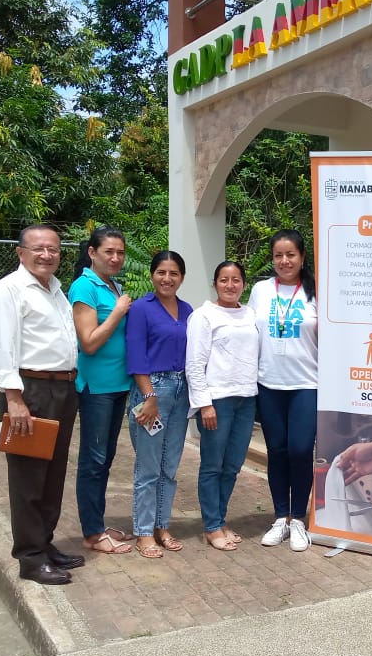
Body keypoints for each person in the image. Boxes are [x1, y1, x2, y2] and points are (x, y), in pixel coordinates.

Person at [0, 224, 83, 585]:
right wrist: (14, 399)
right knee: (28, 475)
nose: (46, 255)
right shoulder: (8, 290)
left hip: (62, 389)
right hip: (30, 391)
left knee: (53, 473)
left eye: (53, 249)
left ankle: (44, 543)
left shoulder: (56, 290)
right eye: (38, 248)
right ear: (21, 252)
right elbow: (3, 347)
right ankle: (30, 558)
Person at [248, 229, 319, 552]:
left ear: (302, 257)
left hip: (306, 383)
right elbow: (250, 334)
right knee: (276, 451)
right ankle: (280, 518)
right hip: (269, 384)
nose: (284, 261)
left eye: (291, 254)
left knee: (301, 450)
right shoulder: (261, 290)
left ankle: (299, 519)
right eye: (278, 255)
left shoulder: (316, 292)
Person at [69, 227, 134, 555]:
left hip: (118, 386)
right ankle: (92, 533)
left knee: (105, 458)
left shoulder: (112, 286)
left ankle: (97, 523)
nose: (116, 258)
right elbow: (89, 342)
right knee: (93, 460)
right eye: (109, 251)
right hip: (97, 389)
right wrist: (120, 310)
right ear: (92, 253)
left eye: (120, 252)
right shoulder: (84, 286)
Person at [185, 261, 258, 552]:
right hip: (217, 401)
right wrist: (204, 404)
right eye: (224, 280)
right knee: (212, 466)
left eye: (236, 280)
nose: (230, 285)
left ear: (244, 284)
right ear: (214, 283)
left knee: (232, 466)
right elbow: (194, 363)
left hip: (247, 399)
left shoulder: (250, 314)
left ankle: (220, 519)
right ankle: (212, 525)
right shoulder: (203, 316)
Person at [125, 251, 192, 559]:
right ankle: (143, 532)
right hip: (152, 390)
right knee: (149, 466)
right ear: (152, 275)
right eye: (161, 272)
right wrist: (149, 397)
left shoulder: (187, 310)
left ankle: (162, 527)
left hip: (181, 392)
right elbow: (136, 355)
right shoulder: (141, 308)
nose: (167, 278)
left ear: (182, 277)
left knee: (170, 465)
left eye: (174, 273)